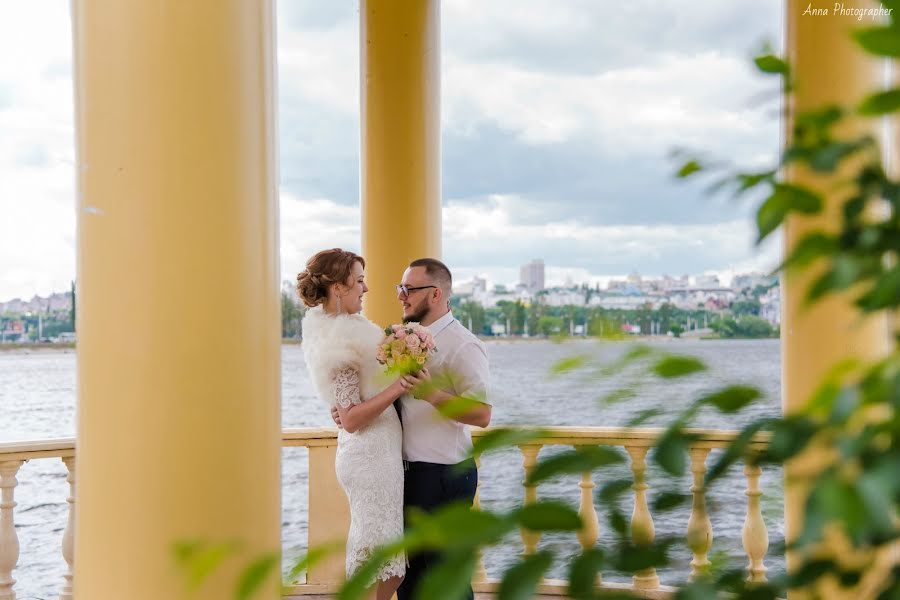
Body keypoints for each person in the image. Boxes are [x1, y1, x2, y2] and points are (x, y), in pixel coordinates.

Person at [332, 257, 492, 600]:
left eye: (409, 289)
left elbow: (481, 414)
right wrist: (345, 410)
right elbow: (390, 398)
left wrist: (432, 394)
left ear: (435, 295)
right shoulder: (401, 337)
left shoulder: (464, 345)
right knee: (409, 580)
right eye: (399, 288)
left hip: (444, 475)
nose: (401, 296)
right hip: (404, 475)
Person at [298, 248, 413, 600]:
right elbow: (349, 419)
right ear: (337, 288)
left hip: (378, 451)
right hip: (370, 454)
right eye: (359, 281)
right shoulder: (341, 340)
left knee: (381, 555)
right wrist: (399, 386)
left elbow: (347, 403)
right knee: (386, 561)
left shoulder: (350, 329)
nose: (366, 289)